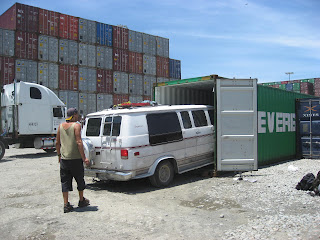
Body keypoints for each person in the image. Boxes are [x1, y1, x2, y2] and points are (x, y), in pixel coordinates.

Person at [56, 108, 90, 213]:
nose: (78, 117)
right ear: (74, 115)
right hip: (75, 159)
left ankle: (66, 204)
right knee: (79, 179)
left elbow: (57, 143)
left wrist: (59, 155)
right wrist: (84, 158)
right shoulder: (76, 125)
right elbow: (79, 142)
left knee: (65, 181)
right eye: (77, 115)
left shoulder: (60, 126)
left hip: (64, 160)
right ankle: (81, 200)